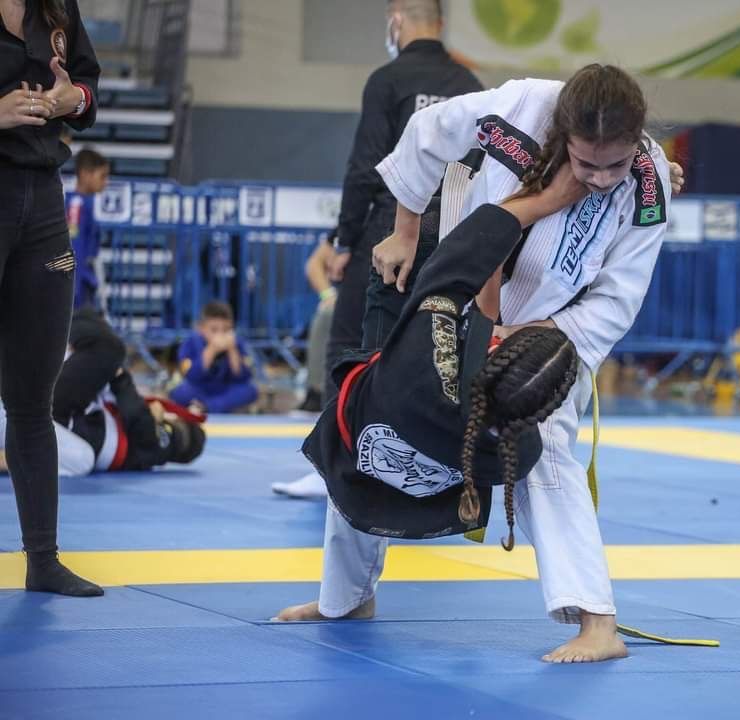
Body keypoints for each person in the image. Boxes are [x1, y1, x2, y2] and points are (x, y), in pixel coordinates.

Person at [345, 64, 672, 663]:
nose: (602, 179)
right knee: (374, 428)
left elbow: (619, 295)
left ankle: (597, 622)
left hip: (545, 337)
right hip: (458, 305)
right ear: (563, 132)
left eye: (616, 165)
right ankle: (345, 597)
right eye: (587, 162)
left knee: (545, 447)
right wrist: (405, 229)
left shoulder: (649, 183)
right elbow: (426, 132)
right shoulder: (519, 108)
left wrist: (527, 339)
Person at [275, 171, 588, 644]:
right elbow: (482, 305)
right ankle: (590, 613)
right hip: (429, 500)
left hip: (357, 448)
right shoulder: (520, 452)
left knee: (406, 272)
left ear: (496, 349)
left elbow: (459, 265)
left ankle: (345, 599)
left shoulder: (424, 359)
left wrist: (545, 200)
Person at [1, 0, 103, 597]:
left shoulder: (57, 6)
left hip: (41, 203)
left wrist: (73, 100)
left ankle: (42, 558)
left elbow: (88, 87)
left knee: (32, 400)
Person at [325, 0, 483, 381]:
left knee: (350, 344)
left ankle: (348, 421)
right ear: (440, 24)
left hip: (391, 224)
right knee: (443, 349)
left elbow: (364, 168)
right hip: (452, 231)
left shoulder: (387, 81)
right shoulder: (469, 86)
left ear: (395, 21)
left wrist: (344, 241)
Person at [0, 309, 206, 477]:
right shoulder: (145, 436)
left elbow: (137, 419)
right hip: (63, 415)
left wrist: (121, 377)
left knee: (110, 349)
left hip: (64, 420)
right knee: (96, 322)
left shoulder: (163, 443)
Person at [170, 301, 258, 414]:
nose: (220, 335)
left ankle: (207, 407)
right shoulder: (190, 343)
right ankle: (212, 406)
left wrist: (232, 351)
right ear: (201, 328)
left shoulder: (237, 343)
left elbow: (243, 377)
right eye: (214, 330)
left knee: (249, 391)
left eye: (226, 330)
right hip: (200, 388)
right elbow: (191, 375)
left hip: (226, 389)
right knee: (180, 391)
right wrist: (211, 350)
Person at [294, 230, 340, 414]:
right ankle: (316, 392)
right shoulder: (349, 224)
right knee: (327, 313)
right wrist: (329, 295)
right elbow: (314, 263)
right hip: (351, 298)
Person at [67, 146, 107, 310]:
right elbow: (74, 248)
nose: (105, 182)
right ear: (84, 174)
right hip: (78, 286)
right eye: (102, 176)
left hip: (85, 284)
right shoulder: (76, 205)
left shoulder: (85, 203)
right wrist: (75, 290)